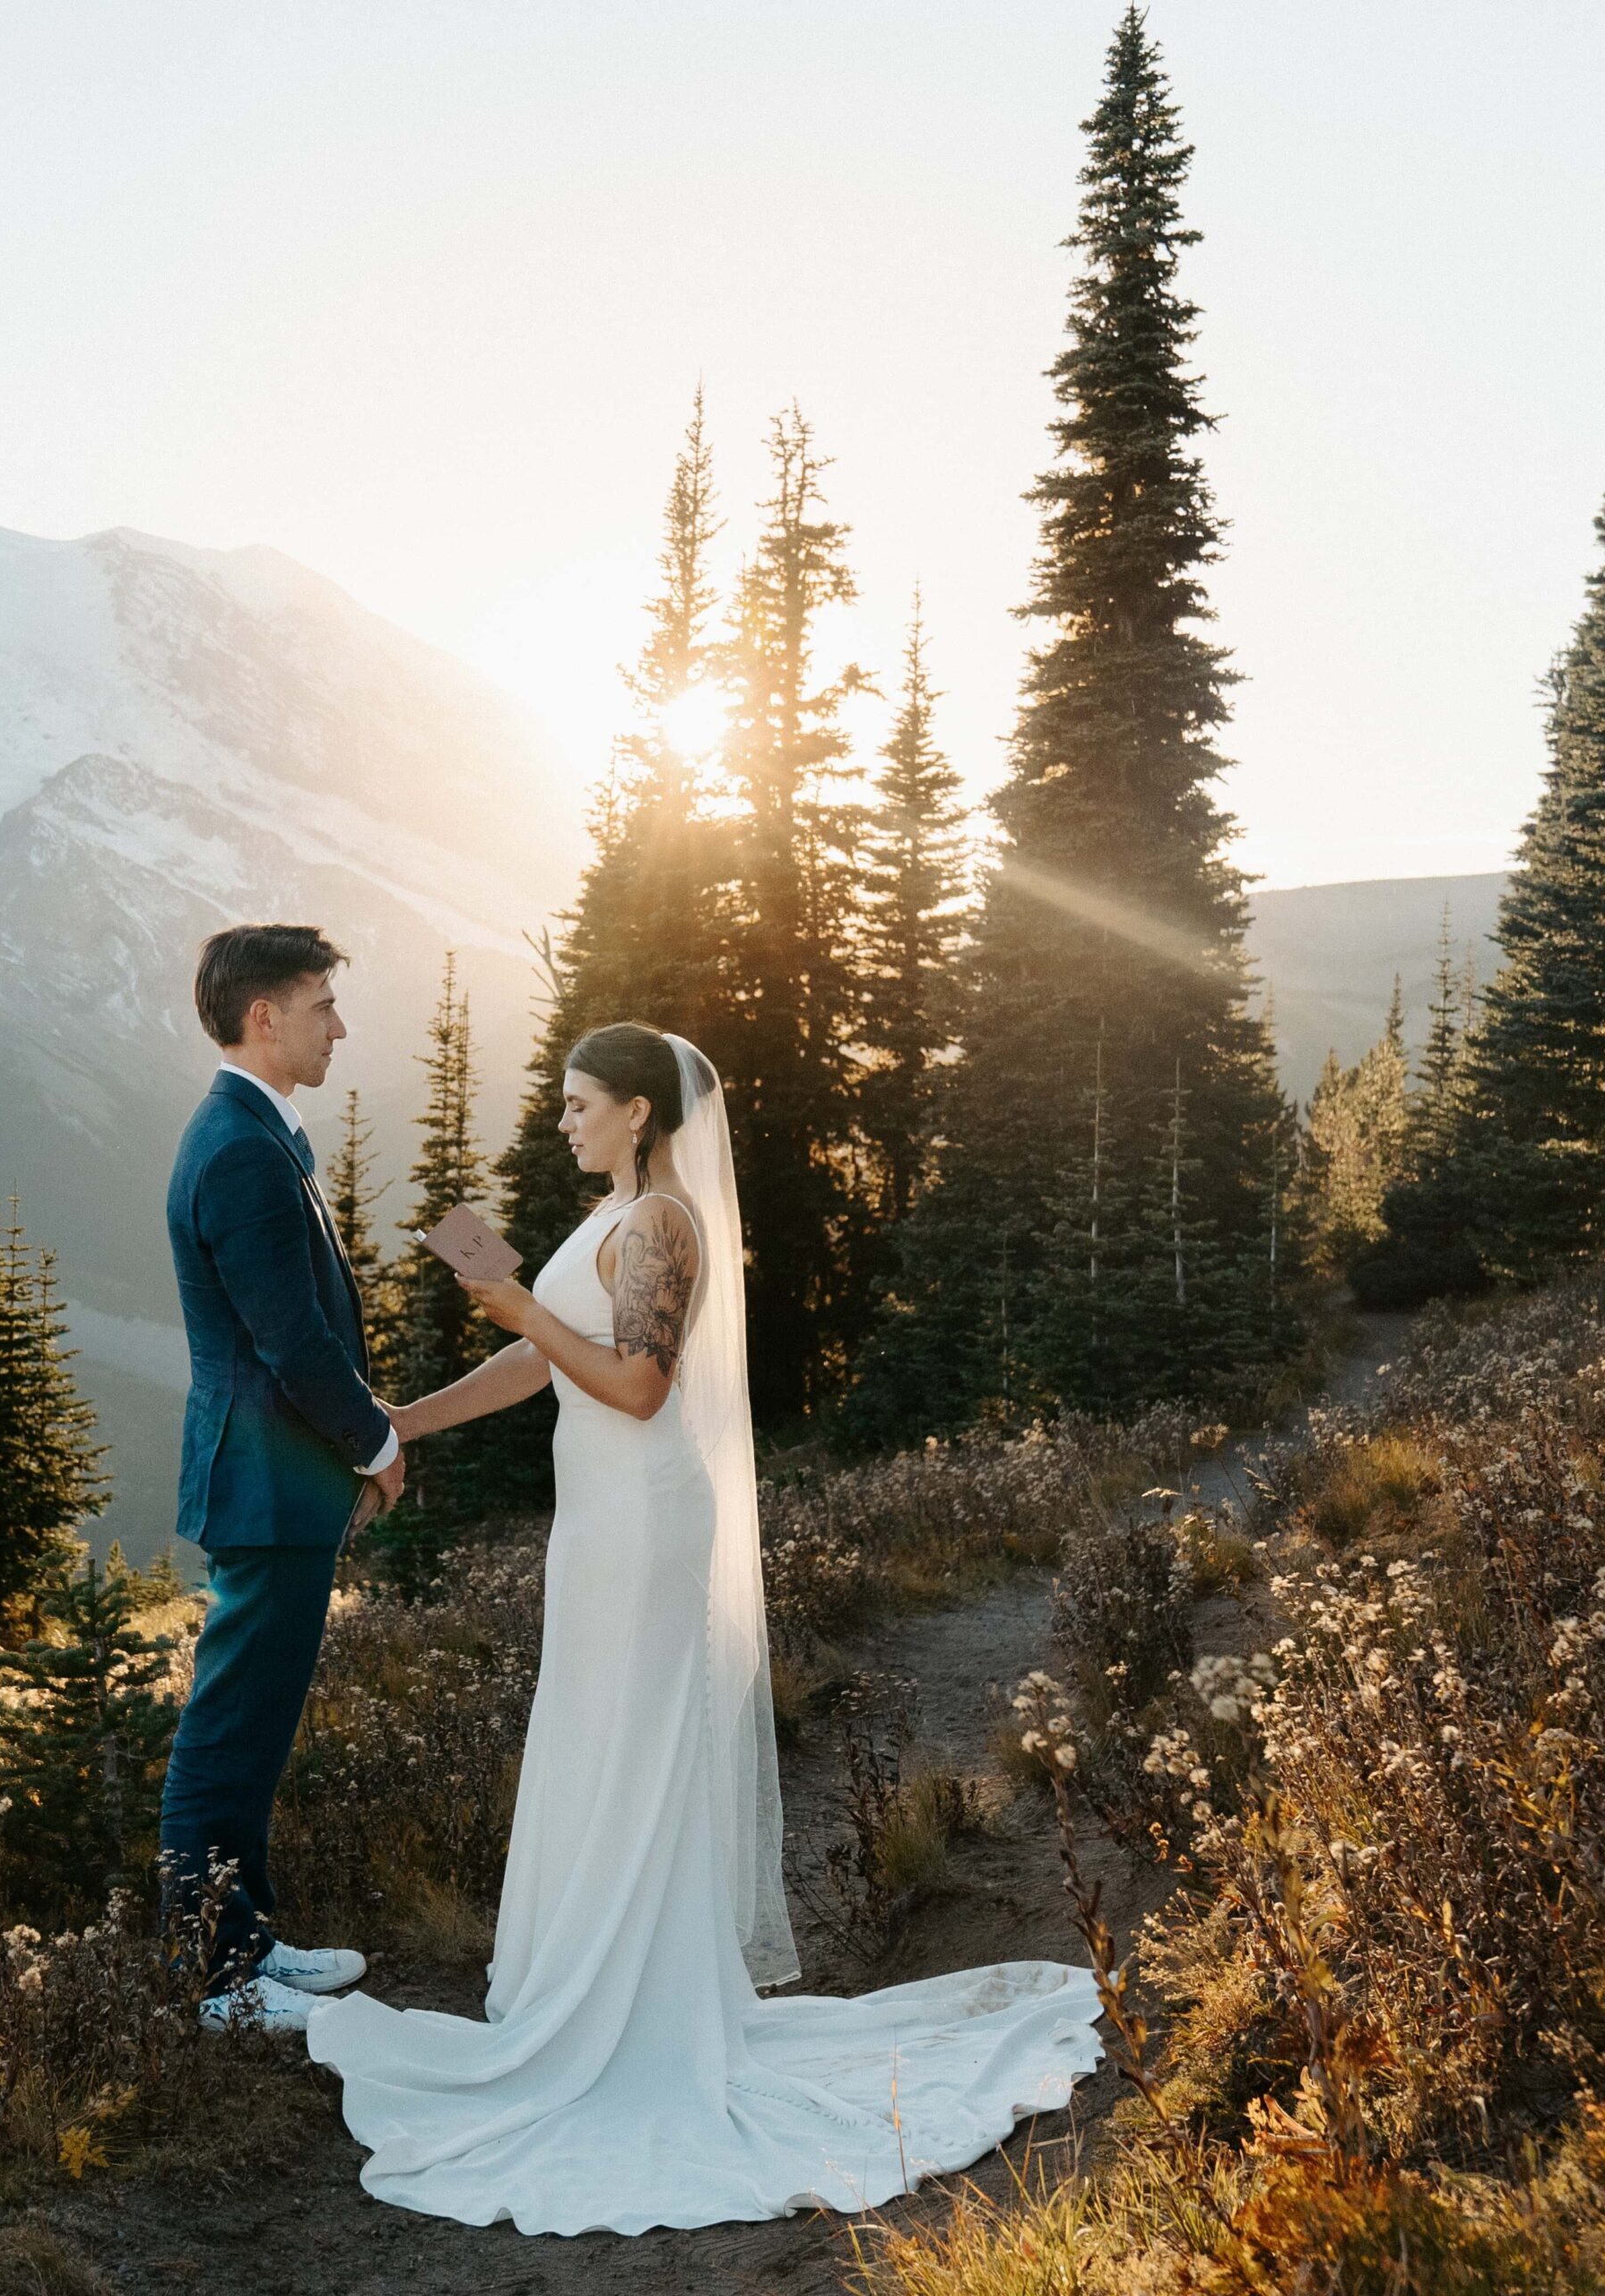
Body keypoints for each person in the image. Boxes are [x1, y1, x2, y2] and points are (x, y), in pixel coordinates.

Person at [307, 1022, 1103, 2232]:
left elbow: (633, 1384)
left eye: (581, 1105)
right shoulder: (614, 1213)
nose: (564, 1122)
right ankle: (588, 1995)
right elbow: (545, 1372)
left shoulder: (666, 1221)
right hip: (599, 1523)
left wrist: (523, 1309)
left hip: (644, 1521)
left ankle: (636, 2017)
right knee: (592, 1740)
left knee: (630, 1746)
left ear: (639, 1111)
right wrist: (405, 1421)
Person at [158, 924, 402, 2033]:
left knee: (254, 1721)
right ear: (266, 1016)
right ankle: (214, 1980)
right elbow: (290, 1340)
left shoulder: (251, 1130)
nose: (337, 1024)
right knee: (229, 1725)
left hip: (273, 1476)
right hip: (265, 1477)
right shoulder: (242, 1147)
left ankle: (246, 1939)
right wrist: (378, 1440)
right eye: (320, 1004)